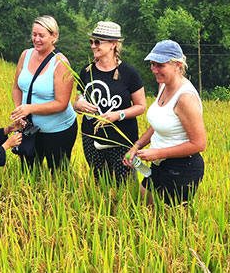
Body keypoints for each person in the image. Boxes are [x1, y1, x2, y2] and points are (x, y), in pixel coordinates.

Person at [123, 40, 206, 205]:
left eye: (160, 65)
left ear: (177, 65)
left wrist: (158, 153)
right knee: (144, 203)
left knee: (169, 222)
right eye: (152, 64)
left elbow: (199, 144)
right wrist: (136, 146)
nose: (154, 70)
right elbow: (157, 124)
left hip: (182, 167)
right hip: (158, 164)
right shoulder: (163, 86)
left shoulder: (185, 98)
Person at [74, 21, 146, 183]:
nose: (93, 46)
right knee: (99, 180)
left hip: (121, 138)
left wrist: (118, 115)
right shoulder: (86, 71)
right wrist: (78, 105)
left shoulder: (129, 73)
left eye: (98, 42)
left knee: (125, 183)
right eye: (91, 42)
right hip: (91, 136)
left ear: (113, 44)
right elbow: (77, 98)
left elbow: (141, 106)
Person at [11, 15, 78, 173]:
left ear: (54, 36)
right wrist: (20, 112)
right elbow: (16, 88)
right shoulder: (25, 55)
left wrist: (30, 109)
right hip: (30, 129)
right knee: (28, 172)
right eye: (34, 35)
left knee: (57, 174)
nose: (37, 39)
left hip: (58, 131)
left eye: (42, 35)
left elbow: (61, 104)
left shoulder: (61, 63)